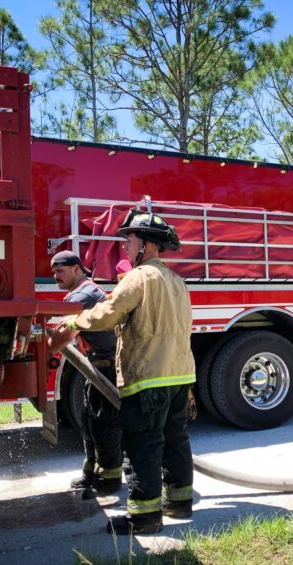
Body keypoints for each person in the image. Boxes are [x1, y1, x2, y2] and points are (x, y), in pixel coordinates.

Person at [49, 209, 196, 535]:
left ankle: (143, 519)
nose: (125, 247)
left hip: (148, 377)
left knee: (143, 446)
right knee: (175, 442)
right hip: (180, 376)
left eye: (129, 240)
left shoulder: (139, 277)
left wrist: (72, 323)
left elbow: (109, 313)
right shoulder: (177, 281)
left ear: (146, 244)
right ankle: (179, 504)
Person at [50, 250, 123, 498]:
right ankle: (91, 474)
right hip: (96, 366)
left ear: (77, 270)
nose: (55, 276)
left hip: (108, 366)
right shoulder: (80, 293)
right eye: (53, 272)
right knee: (90, 423)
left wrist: (46, 341)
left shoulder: (85, 294)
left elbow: (63, 334)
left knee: (105, 426)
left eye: (60, 271)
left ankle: (109, 480)